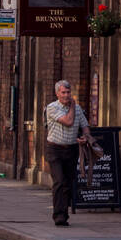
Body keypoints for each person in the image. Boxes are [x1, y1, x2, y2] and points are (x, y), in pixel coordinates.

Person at [45, 80, 93, 226]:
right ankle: (58, 215)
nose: (66, 95)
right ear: (57, 93)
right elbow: (68, 121)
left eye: (68, 92)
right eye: (63, 92)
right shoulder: (52, 108)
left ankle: (64, 214)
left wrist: (85, 136)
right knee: (59, 181)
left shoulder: (77, 109)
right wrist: (72, 105)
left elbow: (85, 126)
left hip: (71, 149)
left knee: (67, 182)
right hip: (55, 149)